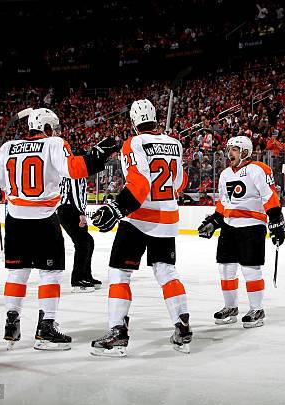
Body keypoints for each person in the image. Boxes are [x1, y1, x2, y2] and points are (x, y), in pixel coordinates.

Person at [0, 108, 116, 350]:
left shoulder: (7, 147)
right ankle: (46, 328)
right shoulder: (53, 144)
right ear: (48, 128)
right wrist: (98, 155)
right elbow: (75, 169)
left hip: (16, 220)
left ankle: (11, 322)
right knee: (49, 274)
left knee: (16, 273)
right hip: (43, 220)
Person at [90, 99, 192, 356]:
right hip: (168, 216)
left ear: (134, 122)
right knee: (166, 271)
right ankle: (182, 326)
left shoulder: (133, 143)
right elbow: (179, 183)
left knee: (119, 273)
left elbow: (139, 183)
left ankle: (117, 332)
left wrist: (116, 208)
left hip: (138, 217)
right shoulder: (175, 143)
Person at [197, 136, 285, 328]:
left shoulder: (259, 169)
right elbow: (223, 202)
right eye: (229, 149)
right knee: (226, 267)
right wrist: (215, 220)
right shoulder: (225, 174)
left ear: (245, 151)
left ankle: (257, 309)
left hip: (252, 225)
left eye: (235, 149)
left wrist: (276, 220)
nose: (230, 153)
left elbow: (269, 196)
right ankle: (230, 307)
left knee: (250, 268)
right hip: (230, 225)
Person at [58, 147, 101, 293]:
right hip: (70, 210)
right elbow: (75, 194)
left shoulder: (71, 170)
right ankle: (77, 280)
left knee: (88, 242)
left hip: (70, 210)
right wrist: (81, 213)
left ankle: (86, 276)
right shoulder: (75, 171)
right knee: (83, 243)